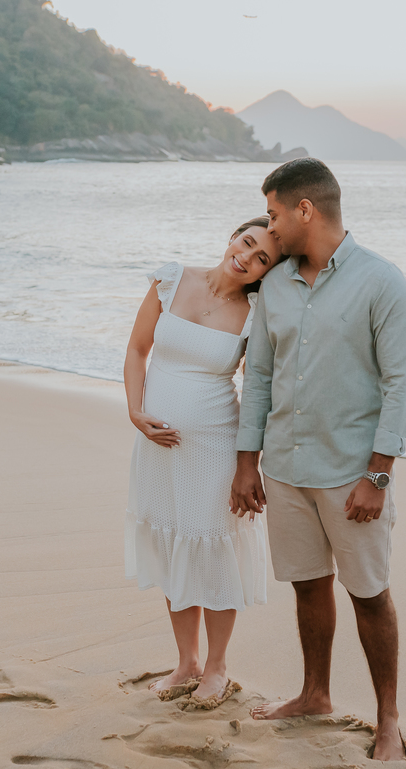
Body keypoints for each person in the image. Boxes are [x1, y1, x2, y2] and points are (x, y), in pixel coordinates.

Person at [230, 159, 406, 760]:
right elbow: (258, 374)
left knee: (369, 594)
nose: (271, 227)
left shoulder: (382, 282)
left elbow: (401, 386)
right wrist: (247, 462)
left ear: (304, 210)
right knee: (308, 588)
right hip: (284, 469)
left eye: (274, 213)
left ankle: (388, 719)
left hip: (351, 476)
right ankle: (315, 694)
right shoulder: (277, 285)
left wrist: (378, 477)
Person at [123, 217, 282, 704]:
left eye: (262, 261)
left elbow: (261, 390)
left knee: (212, 552)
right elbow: (137, 349)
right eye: (247, 243)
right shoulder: (170, 279)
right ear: (233, 236)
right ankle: (187, 662)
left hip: (215, 446)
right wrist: (135, 411)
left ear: (264, 274)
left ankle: (216, 667)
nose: (247, 258)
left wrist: (249, 464)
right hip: (157, 447)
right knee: (174, 545)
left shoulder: (256, 315)